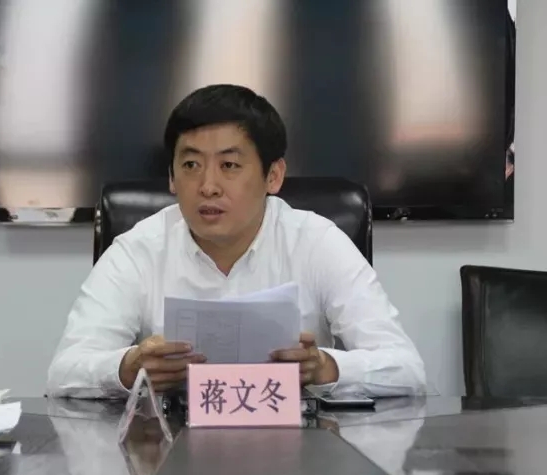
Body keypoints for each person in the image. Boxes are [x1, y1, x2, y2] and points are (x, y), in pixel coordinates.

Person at [47, 84, 426, 399]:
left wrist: (325, 367)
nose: (208, 186)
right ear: (172, 178)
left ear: (273, 176)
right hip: (169, 449)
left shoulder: (318, 242)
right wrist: (128, 368)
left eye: (229, 165)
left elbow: (407, 370)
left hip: (299, 446)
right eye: (191, 165)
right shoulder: (138, 250)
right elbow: (62, 373)